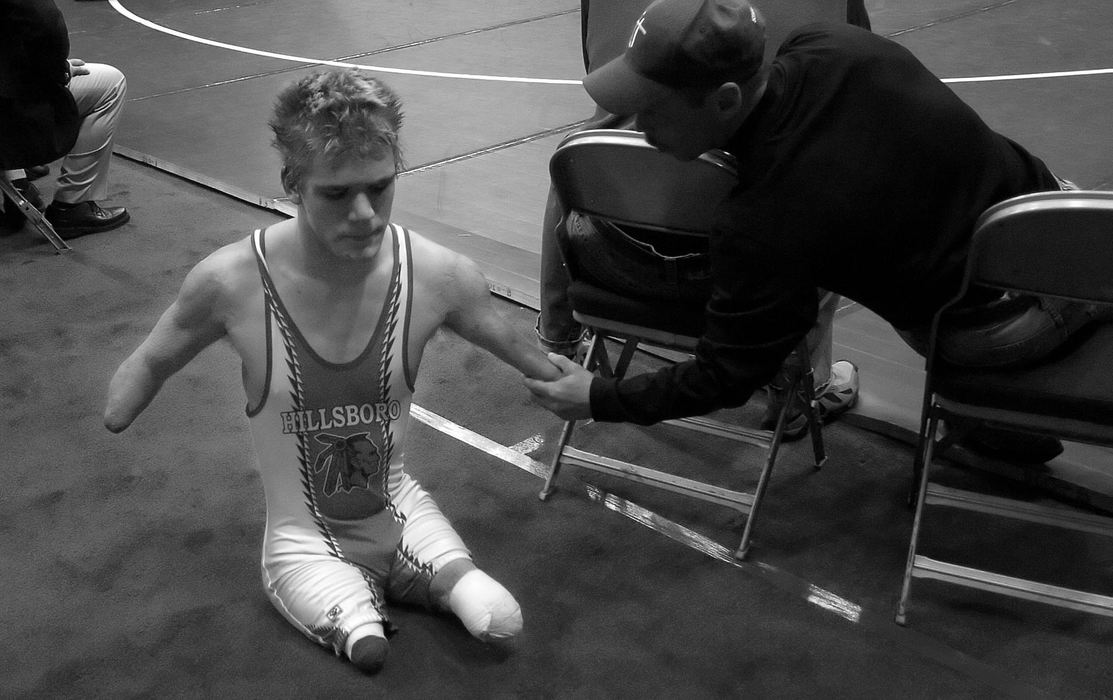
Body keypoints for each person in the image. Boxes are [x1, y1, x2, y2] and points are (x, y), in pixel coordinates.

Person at [104, 69, 561, 674]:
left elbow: (533, 357)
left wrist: (589, 390)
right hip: (301, 537)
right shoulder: (229, 283)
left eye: (380, 186)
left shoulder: (440, 275)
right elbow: (152, 360)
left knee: (496, 615)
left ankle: (428, 577)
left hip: (400, 512)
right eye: (337, 194)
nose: (366, 214)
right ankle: (357, 592)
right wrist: (123, 403)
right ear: (294, 183)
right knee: (367, 647)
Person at [526, 0, 1105, 464]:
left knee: (928, 304)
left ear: (726, 99)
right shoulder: (831, 47)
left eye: (653, 110)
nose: (641, 129)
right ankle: (993, 420)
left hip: (988, 331)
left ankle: (988, 409)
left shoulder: (765, 220)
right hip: (1066, 225)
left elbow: (726, 375)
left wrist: (603, 398)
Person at [539, 0, 873, 436]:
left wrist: (559, 339)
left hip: (611, 265)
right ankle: (793, 393)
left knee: (585, 148)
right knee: (809, 209)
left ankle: (556, 343)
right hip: (735, 283)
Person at [0, 0, 129, 238]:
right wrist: (60, 69)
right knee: (111, 82)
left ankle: (17, 174)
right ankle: (72, 206)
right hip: (10, 119)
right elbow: (46, 26)